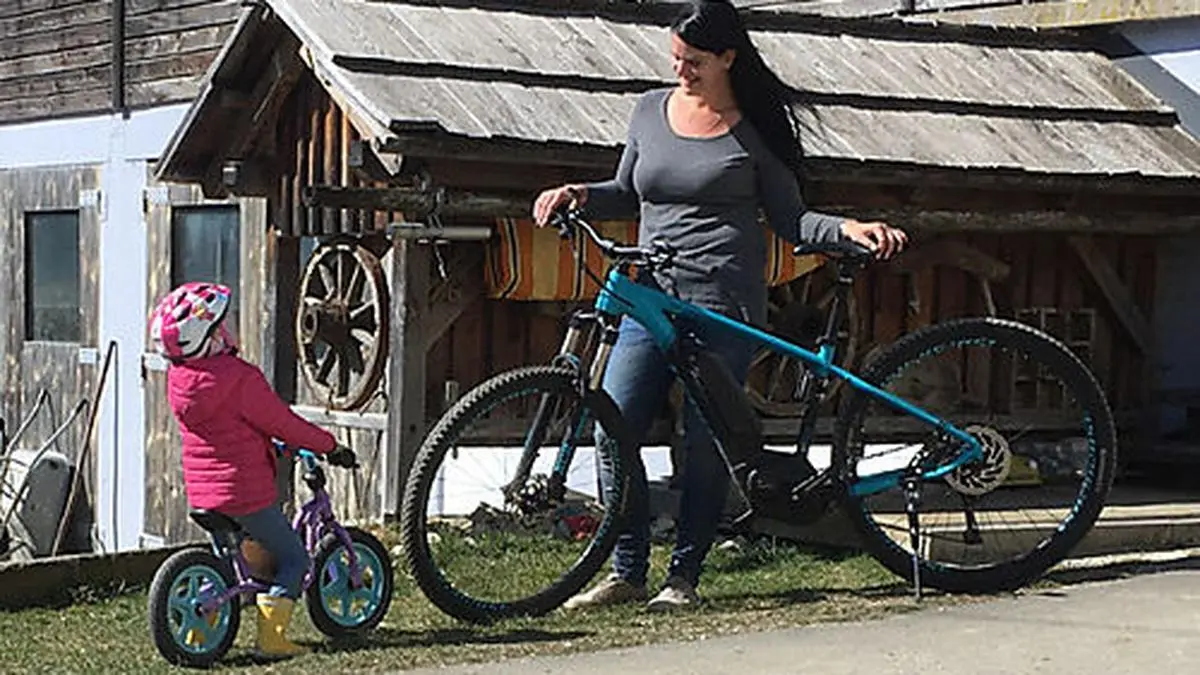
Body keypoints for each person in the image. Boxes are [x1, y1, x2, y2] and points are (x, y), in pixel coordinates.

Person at [532, 0, 908, 612]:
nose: (682, 71)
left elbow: (792, 220)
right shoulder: (649, 111)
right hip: (650, 295)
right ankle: (625, 572)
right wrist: (575, 192)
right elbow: (626, 192)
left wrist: (849, 228)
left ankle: (683, 578)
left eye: (696, 62)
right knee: (614, 426)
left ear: (729, 58)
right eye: (676, 58)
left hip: (722, 302)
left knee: (704, 440)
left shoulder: (752, 131)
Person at [149, 281, 358, 658]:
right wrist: (331, 446)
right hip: (244, 494)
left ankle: (203, 634)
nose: (228, 331)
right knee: (295, 559)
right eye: (221, 327)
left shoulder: (180, 380)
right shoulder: (239, 378)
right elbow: (284, 423)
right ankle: (272, 641)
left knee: (230, 570)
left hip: (205, 495)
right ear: (209, 339)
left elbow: (227, 427)